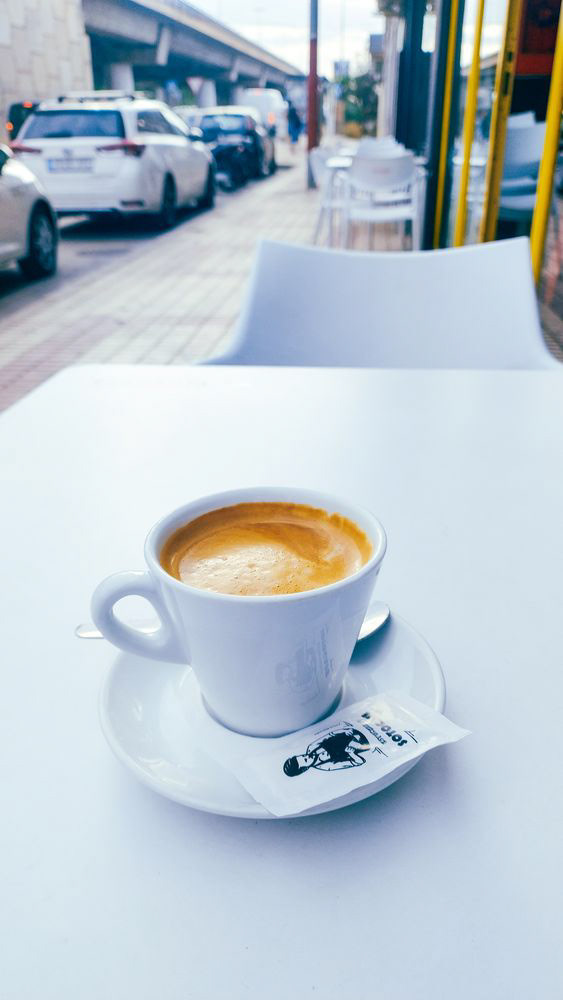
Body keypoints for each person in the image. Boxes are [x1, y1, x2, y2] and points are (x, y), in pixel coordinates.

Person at [283, 725, 372, 777]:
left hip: (353, 731)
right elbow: (359, 762)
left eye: (303, 755)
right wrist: (351, 753)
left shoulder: (312, 747)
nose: (307, 756)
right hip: (364, 743)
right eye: (306, 760)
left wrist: (344, 732)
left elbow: (330, 734)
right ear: (305, 769)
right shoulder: (327, 766)